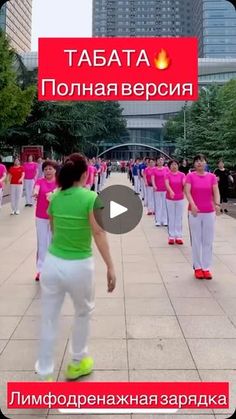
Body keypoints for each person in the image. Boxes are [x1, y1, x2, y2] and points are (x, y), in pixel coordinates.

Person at [35, 153, 116, 381]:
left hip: (52, 263)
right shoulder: (91, 198)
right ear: (84, 174)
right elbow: (99, 233)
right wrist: (110, 266)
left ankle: (44, 373)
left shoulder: (55, 198)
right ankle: (77, 362)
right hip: (79, 265)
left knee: (49, 317)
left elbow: (53, 229)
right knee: (83, 312)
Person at [185, 154, 221, 280]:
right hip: (195, 212)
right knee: (196, 239)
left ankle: (206, 267)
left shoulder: (211, 177)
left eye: (202, 161)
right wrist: (193, 205)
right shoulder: (190, 176)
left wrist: (217, 204)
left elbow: (216, 191)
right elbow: (187, 191)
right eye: (197, 161)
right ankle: (198, 267)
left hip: (209, 212)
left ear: (206, 163)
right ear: (194, 164)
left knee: (208, 240)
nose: (199, 163)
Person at [33, 160, 58, 282]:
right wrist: (35, 194)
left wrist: (53, 193)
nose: (48, 171)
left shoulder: (59, 183)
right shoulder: (39, 181)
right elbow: (36, 190)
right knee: (42, 243)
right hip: (41, 216)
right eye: (46, 169)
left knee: (54, 243)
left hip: (55, 217)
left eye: (50, 169)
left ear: (55, 170)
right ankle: (40, 270)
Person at [165, 160, 185, 245]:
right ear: (169, 166)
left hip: (180, 198)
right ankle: (171, 236)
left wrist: (184, 189)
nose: (174, 166)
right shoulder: (167, 174)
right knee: (171, 217)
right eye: (172, 164)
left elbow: (184, 184)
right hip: (170, 198)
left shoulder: (182, 175)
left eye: (176, 164)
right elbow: (167, 184)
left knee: (179, 217)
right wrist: (171, 191)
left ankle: (179, 236)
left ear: (178, 165)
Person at [151, 156, 169, 226]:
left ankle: (165, 220)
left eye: (161, 160)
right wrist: (154, 186)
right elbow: (152, 178)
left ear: (163, 161)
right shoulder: (154, 169)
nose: (160, 161)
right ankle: (158, 220)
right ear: (156, 161)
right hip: (157, 189)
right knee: (158, 205)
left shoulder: (167, 169)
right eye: (158, 160)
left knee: (164, 205)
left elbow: (168, 178)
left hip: (165, 189)